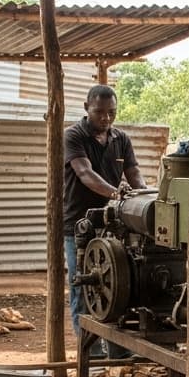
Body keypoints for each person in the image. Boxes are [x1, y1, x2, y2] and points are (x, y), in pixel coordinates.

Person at [63, 84, 146, 357]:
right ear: (87, 108)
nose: (106, 118)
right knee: (85, 289)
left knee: (119, 288)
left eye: (111, 112)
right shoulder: (73, 136)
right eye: (100, 112)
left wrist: (144, 197)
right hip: (79, 226)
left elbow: (134, 174)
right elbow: (85, 174)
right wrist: (116, 193)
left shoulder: (121, 138)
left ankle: (119, 353)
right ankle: (92, 355)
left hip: (114, 224)